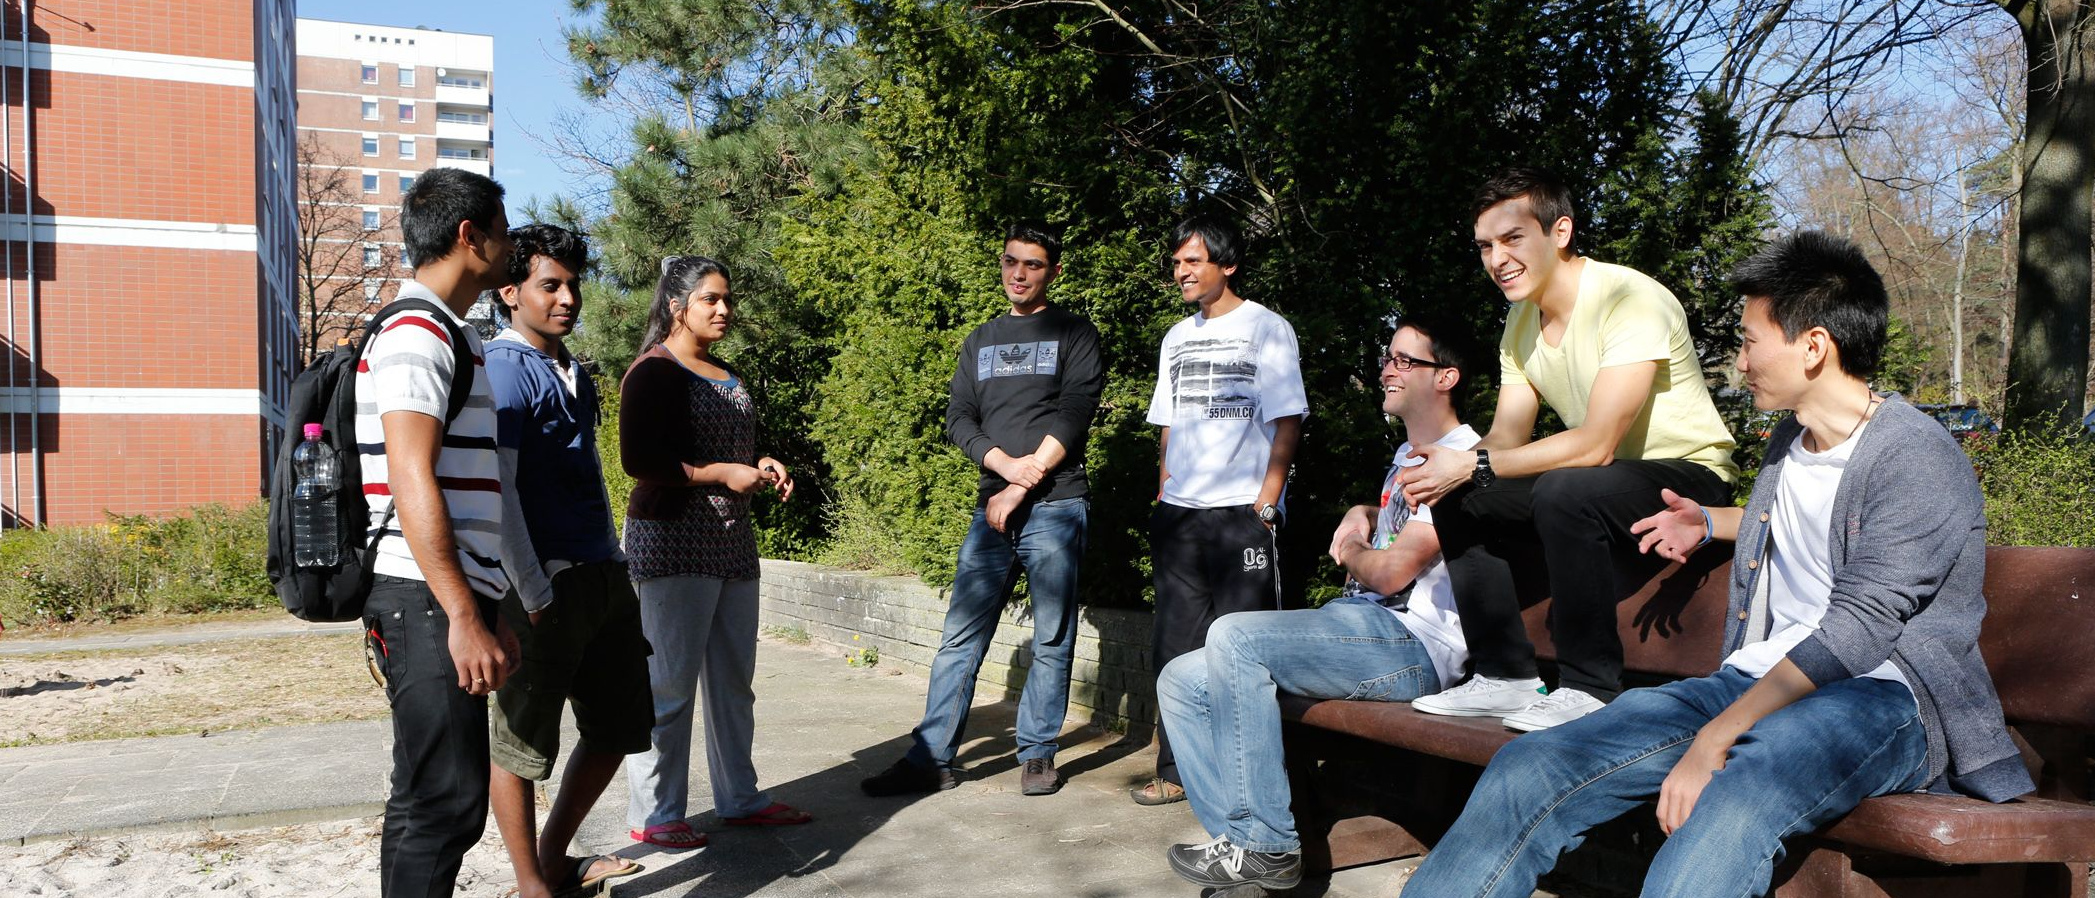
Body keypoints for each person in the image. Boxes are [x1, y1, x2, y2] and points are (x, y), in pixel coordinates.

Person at [1404, 231, 2034, 898]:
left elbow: (1860, 628)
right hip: (1758, 681)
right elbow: (1816, 522)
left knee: (1732, 797)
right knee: (1531, 764)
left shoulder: (1915, 455)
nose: (1739, 361)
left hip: (1881, 696)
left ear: (1813, 346)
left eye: (1749, 340)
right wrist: (1708, 521)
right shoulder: (1794, 437)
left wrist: (1715, 739)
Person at [1401, 167, 1738, 732]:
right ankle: (1504, 676)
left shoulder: (1629, 297)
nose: (1497, 259)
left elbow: (1597, 442)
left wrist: (1474, 462)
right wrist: (1450, 467)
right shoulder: (1520, 321)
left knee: (1562, 487)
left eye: (1513, 239)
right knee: (1464, 495)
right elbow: (1506, 438)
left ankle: (1589, 688)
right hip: (1605, 483)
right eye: (1486, 246)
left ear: (1559, 232)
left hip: (1688, 474)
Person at [1159, 318, 1479, 891]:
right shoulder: (1409, 453)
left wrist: (1355, 544)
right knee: (1182, 678)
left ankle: (1267, 845)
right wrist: (1369, 511)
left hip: (1413, 647)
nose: (1388, 369)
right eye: (1389, 357)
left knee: (1234, 637)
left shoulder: (1463, 458)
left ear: (1446, 377)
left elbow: (1391, 570)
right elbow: (1406, 535)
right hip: (1361, 629)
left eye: (1407, 361)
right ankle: (1241, 844)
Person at [859, 223, 1103, 798]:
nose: (1020, 274)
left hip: (1057, 505)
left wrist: (1023, 479)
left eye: (1034, 265)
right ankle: (930, 758)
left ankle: (1038, 756)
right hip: (991, 507)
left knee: (1052, 636)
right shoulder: (980, 340)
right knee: (959, 637)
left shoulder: (1075, 332)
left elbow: (1074, 411)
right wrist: (1001, 465)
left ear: (1053, 272)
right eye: (1012, 262)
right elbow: (959, 418)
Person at [356, 166, 517, 897]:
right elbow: (409, 475)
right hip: (423, 596)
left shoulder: (453, 334)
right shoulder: (418, 332)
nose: (510, 246)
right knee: (444, 801)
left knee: (430, 795)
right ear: (469, 235)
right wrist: (460, 612)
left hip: (439, 595)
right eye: (504, 231)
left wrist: (493, 600)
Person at [620, 254, 813, 848]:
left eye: (727, 298)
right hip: (673, 541)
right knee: (669, 686)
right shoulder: (652, 372)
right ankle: (655, 813)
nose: (724, 309)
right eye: (710, 299)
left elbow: (729, 452)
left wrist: (759, 466)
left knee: (733, 683)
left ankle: (740, 798)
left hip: (733, 543)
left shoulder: (727, 374)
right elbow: (640, 462)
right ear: (676, 305)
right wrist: (721, 473)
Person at [484, 224, 650, 897]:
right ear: (510, 291)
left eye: (573, 284)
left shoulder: (573, 373)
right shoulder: (501, 369)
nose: (567, 297)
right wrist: (532, 586)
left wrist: (612, 557)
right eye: (549, 284)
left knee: (619, 725)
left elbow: (585, 476)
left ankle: (555, 859)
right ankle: (532, 886)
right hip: (539, 589)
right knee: (521, 747)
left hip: (601, 576)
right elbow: (497, 491)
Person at [1134, 215, 1308, 806]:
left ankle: (1253, 785)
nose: (1181, 272)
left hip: (1242, 516)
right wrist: (1164, 492)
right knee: (1174, 648)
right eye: (1178, 262)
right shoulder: (1175, 338)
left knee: (1247, 653)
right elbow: (1168, 424)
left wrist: (1268, 498)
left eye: (1193, 262)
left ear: (1227, 265)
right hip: (1180, 516)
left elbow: (1287, 418)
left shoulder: (1268, 328)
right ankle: (1176, 771)